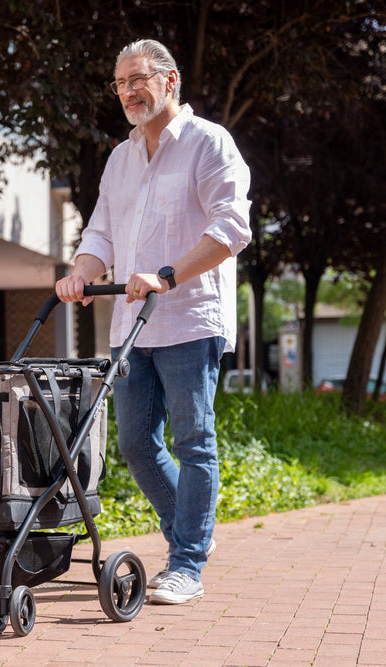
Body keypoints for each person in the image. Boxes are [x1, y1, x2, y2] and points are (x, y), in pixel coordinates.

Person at [55, 39, 252, 605]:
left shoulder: (209, 143)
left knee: (195, 440)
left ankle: (187, 562)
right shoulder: (120, 159)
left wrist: (168, 275)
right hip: (131, 327)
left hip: (191, 318)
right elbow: (100, 236)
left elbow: (230, 230)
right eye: (120, 83)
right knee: (137, 444)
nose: (128, 91)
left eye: (138, 79)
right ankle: (192, 535)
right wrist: (80, 273)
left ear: (170, 80)